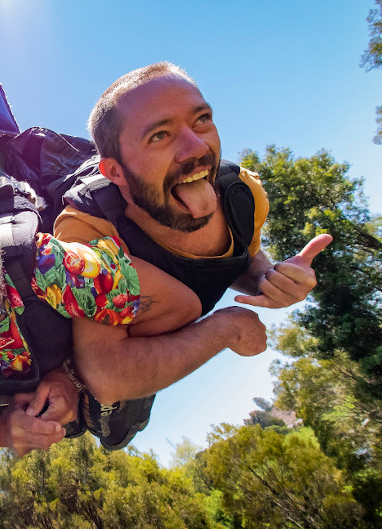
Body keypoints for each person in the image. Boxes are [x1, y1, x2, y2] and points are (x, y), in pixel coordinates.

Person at [0, 140, 268, 494]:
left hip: (93, 389)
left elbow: (178, 305)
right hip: (13, 409)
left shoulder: (49, 266)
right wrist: (4, 427)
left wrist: (77, 373)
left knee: (114, 426)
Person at [54, 61, 332, 405]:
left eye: (202, 120)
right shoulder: (88, 229)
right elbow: (107, 374)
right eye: (160, 135)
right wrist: (223, 330)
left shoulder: (243, 193)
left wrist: (270, 280)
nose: (198, 148)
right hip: (119, 356)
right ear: (116, 171)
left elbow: (244, 258)